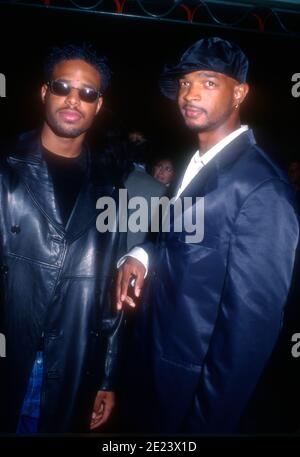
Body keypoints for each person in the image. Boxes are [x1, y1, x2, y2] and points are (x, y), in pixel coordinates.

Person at [116, 37, 299, 434]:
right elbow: (178, 244)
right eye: (184, 83)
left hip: (187, 401)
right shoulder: (195, 163)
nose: (190, 93)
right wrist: (143, 255)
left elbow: (246, 339)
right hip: (149, 381)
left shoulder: (262, 188)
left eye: (209, 82)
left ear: (240, 93)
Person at [0, 44, 125, 433]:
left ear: (98, 104)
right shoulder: (5, 169)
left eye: (87, 92)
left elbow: (113, 293)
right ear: (44, 92)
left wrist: (107, 378)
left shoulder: (109, 189)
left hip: (70, 367)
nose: (74, 99)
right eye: (62, 87)